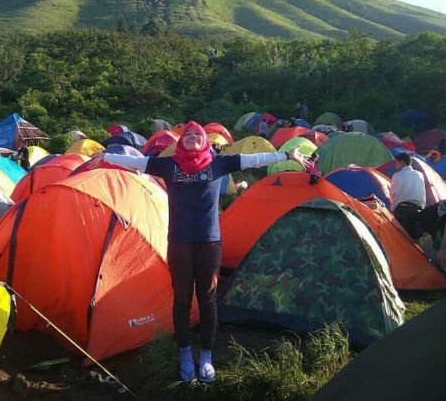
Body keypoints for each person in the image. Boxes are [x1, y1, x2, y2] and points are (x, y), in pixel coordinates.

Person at [88, 121, 307, 383]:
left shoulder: (218, 163)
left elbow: (253, 159)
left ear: (204, 140)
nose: (192, 137)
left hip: (209, 242)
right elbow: (137, 163)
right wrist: (106, 157)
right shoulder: (169, 165)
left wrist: (286, 154)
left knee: (207, 298)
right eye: (188, 135)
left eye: (197, 135)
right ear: (181, 141)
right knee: (181, 299)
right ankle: (183, 353)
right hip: (180, 242)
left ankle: (205, 355)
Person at [389, 153, 426, 240]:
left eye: (397, 163)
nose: (396, 166)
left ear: (402, 163)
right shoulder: (420, 175)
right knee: (415, 241)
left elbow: (392, 195)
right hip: (418, 211)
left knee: (401, 240)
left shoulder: (397, 176)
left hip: (401, 211)